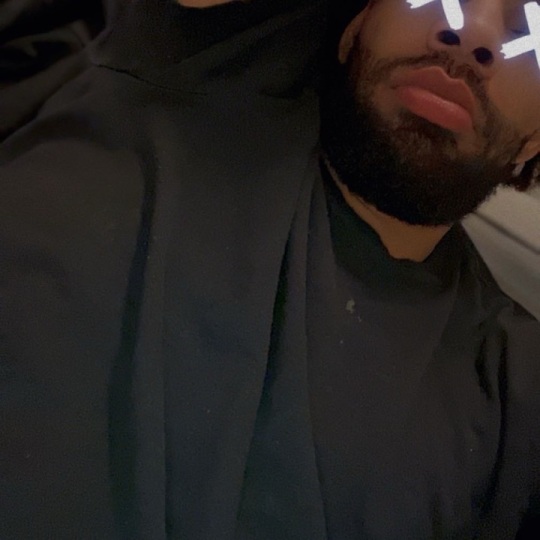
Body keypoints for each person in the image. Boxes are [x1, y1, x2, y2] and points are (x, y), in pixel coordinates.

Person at [0, 0, 539, 538]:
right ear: (354, 27)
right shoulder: (184, 70)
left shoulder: (514, 397)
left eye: (532, 29)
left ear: (536, 137)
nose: (472, 34)